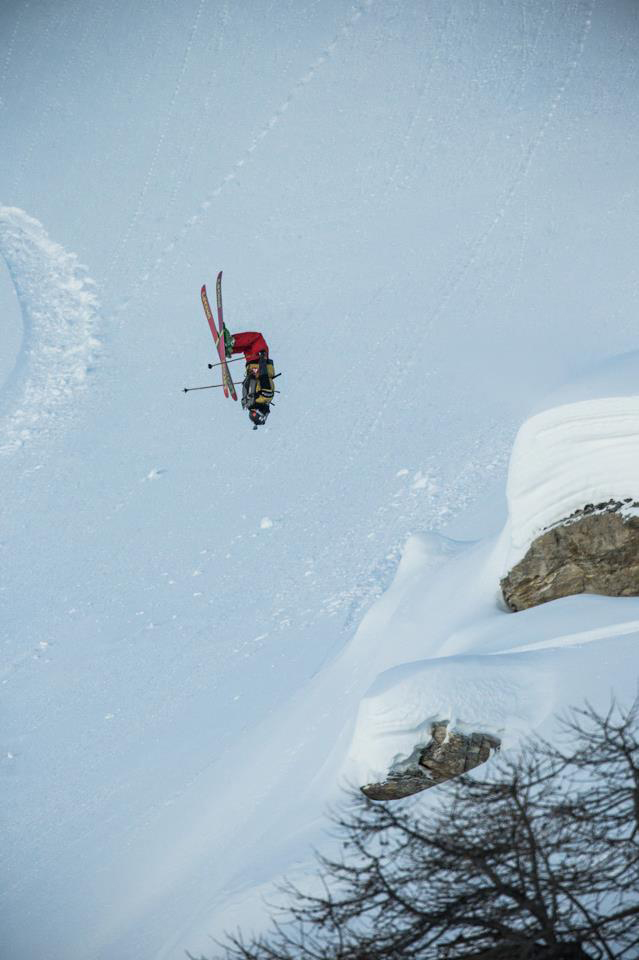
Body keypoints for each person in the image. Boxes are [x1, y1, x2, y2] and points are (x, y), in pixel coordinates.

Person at [224, 330, 277, 429]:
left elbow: (263, 376)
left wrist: (262, 359)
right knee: (248, 346)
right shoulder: (251, 403)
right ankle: (229, 349)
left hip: (258, 363)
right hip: (252, 366)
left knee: (257, 338)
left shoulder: (266, 397)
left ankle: (231, 342)